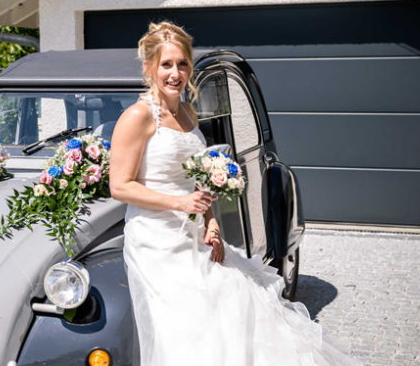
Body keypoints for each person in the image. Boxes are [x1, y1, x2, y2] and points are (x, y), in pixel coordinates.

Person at [109, 21, 361, 366]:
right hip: (156, 240)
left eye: (182, 63)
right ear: (149, 67)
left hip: (196, 232)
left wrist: (211, 221)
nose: (175, 73)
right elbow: (120, 185)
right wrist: (179, 203)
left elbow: (197, 177)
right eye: (166, 64)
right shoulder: (138, 117)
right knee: (188, 325)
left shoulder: (187, 111)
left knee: (237, 303)